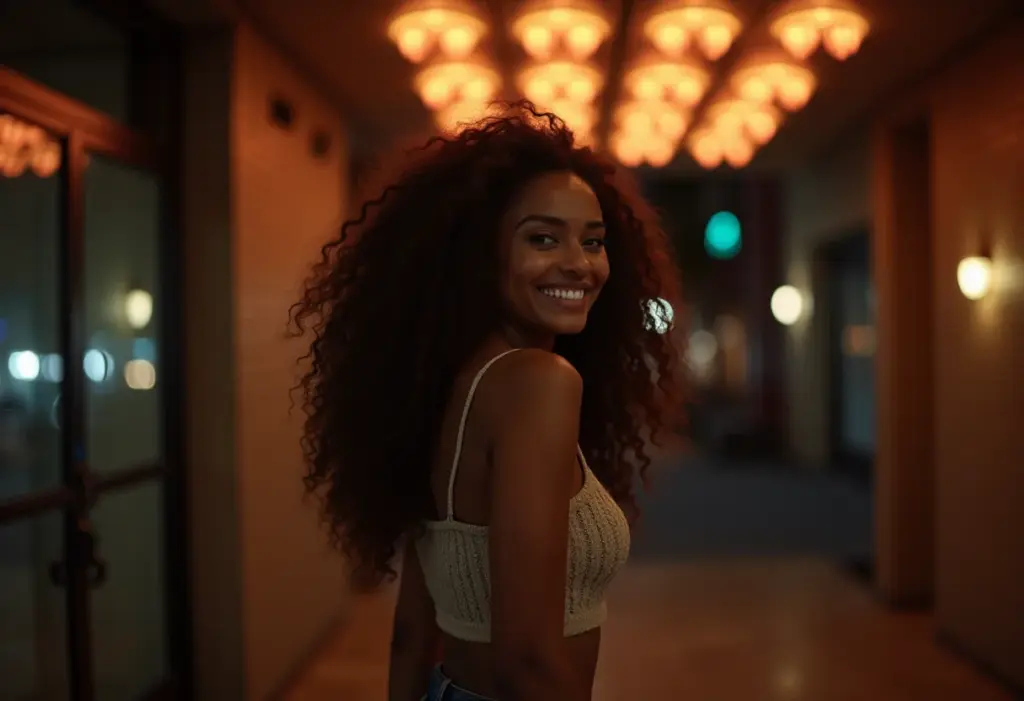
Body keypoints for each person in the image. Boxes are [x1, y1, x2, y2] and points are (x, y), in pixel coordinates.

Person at [290, 101, 685, 701]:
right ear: (479, 254)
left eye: (593, 241)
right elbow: (526, 660)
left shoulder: (450, 385)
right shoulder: (538, 382)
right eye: (543, 238)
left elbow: (412, 631)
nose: (579, 264)